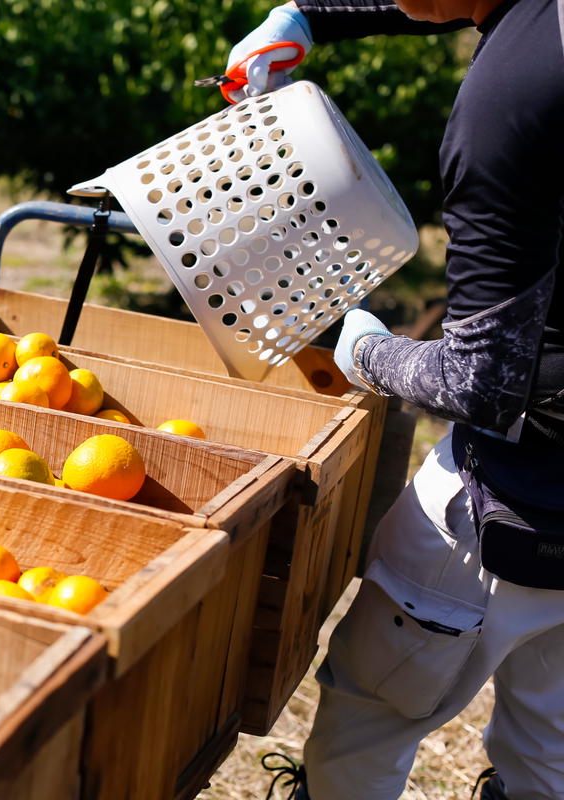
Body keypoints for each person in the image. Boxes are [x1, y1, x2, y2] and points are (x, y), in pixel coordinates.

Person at [226, 1, 564, 799]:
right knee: (549, 758)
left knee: (366, 723)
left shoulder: (504, 103)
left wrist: (368, 351)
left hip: (501, 511)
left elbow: (482, 381)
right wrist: (311, 15)